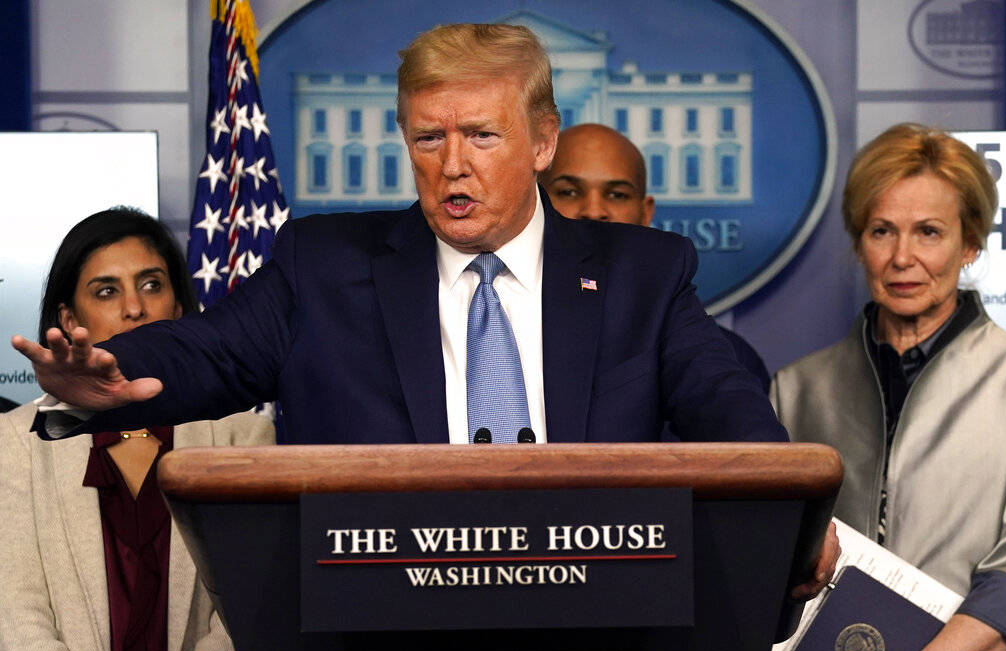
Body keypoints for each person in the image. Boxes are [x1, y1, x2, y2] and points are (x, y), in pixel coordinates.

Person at [12, 24, 834, 596]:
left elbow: (725, 401)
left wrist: (793, 516)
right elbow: (209, 350)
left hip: (597, 623)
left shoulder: (639, 273)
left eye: (480, 135)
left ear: (542, 141)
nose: (451, 167)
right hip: (380, 634)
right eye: (427, 139)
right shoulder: (325, 266)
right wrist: (112, 378)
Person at [771, 123, 1006, 651]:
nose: (902, 257)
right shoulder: (797, 388)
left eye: (929, 232)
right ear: (860, 242)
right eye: (882, 231)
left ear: (972, 243)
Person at [0, 208, 274, 651]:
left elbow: (249, 613)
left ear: (180, 309)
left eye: (152, 285)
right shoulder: (14, 444)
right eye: (106, 291)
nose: (135, 308)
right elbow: (16, 619)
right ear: (69, 318)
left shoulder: (241, 436)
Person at [539, 122, 771, 393]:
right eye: (568, 191)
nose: (593, 211)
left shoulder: (728, 358)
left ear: (645, 212)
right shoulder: (504, 338)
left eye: (616, 194)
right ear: (536, 202)